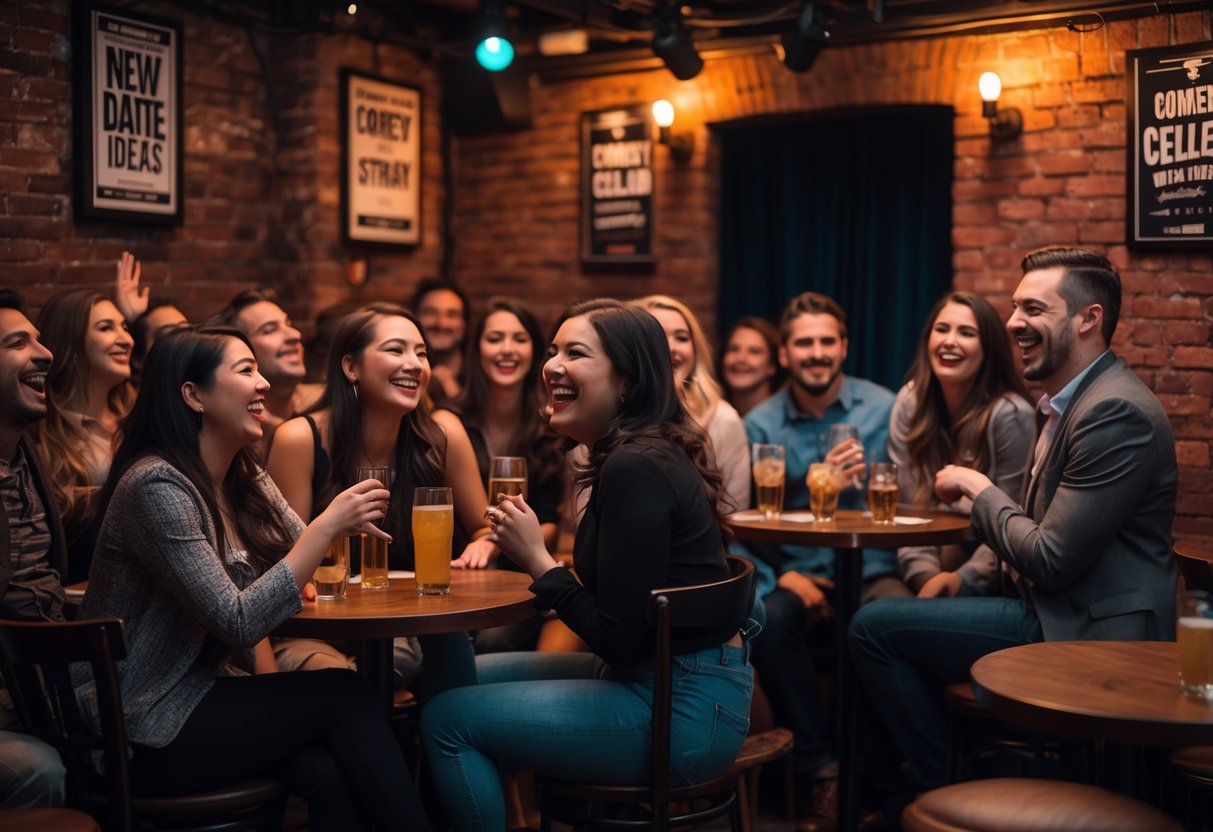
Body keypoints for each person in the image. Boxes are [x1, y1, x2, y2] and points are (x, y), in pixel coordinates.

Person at [850, 246, 1178, 801]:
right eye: (1014, 307)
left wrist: (980, 489)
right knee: (881, 620)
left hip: (1084, 628)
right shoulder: (1064, 403)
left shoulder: (1113, 410)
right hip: (1048, 608)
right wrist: (964, 580)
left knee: (872, 629)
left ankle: (949, 791)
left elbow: (1050, 559)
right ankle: (925, 788)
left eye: (1033, 309)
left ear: (1088, 318)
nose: (1012, 323)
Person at [75, 325, 429, 831]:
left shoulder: (241, 472)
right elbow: (239, 621)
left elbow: (300, 545)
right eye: (246, 371)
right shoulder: (155, 486)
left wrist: (313, 544)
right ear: (194, 395)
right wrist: (328, 526)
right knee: (344, 696)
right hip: (138, 724)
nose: (263, 383)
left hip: (201, 696)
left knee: (330, 772)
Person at [421, 299, 754, 832]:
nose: (551, 365)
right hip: (663, 679)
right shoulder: (635, 452)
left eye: (575, 353)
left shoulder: (634, 467)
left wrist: (538, 560)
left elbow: (618, 639)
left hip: (680, 712)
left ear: (626, 380)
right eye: (552, 351)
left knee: (446, 719)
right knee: (454, 679)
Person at [266, 303, 495, 685]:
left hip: (403, 627)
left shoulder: (443, 434)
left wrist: (485, 543)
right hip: (316, 630)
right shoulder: (300, 438)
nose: (414, 364)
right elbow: (282, 564)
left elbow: (484, 527)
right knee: (346, 682)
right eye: (395, 350)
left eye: (421, 353)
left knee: (408, 656)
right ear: (351, 367)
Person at [739, 291, 901, 829]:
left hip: (875, 572)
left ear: (845, 346)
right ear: (783, 354)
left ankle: (882, 782)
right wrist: (779, 573)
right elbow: (739, 522)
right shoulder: (760, 425)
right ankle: (823, 773)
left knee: (894, 622)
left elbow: (915, 492)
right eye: (804, 343)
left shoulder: (885, 407)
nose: (816, 352)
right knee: (770, 617)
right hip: (799, 574)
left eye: (826, 341)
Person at [889, 291, 1034, 596]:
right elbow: (907, 509)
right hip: (920, 573)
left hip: (996, 583)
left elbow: (1014, 520)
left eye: (966, 333)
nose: (949, 341)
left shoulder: (1010, 414)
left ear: (988, 349)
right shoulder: (911, 402)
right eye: (941, 329)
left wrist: (961, 582)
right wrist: (926, 577)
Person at [450, 300, 566, 653]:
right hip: (458, 571)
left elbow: (549, 523)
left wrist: (496, 541)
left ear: (536, 351)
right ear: (477, 350)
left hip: (518, 575)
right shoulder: (451, 423)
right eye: (495, 338)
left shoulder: (552, 427)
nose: (507, 350)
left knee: (494, 637)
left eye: (519, 339)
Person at [0, 289, 68, 809]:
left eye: (40, 341)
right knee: (40, 770)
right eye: (18, 343)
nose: (44, 354)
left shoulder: (27, 457)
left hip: (45, 687)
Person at [33, 290, 135, 583]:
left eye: (125, 327)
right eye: (106, 328)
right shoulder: (45, 433)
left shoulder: (137, 416)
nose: (126, 339)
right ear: (72, 346)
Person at [636, 295, 751, 511]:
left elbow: (735, 514)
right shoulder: (605, 416)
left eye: (681, 337)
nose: (671, 348)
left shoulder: (723, 419)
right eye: (658, 336)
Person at [208, 288, 323, 456]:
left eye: (288, 324)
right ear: (240, 347)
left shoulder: (325, 403)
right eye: (270, 330)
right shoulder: (230, 432)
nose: (295, 335)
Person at [412, 278, 470, 405]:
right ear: (414, 319)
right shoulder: (404, 370)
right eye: (431, 312)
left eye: (452, 314)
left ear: (464, 325)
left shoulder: (480, 374)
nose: (441, 323)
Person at [720, 316, 784, 417]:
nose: (740, 358)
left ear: (772, 365)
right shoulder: (714, 415)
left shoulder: (783, 421)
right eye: (734, 349)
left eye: (754, 351)